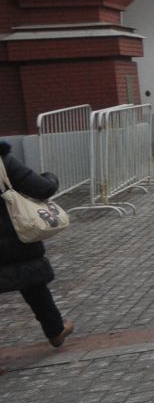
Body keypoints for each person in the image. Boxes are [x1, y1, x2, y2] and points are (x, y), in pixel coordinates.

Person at [0, 140, 74, 348]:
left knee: (34, 284)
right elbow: (43, 189)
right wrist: (49, 176)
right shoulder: (4, 162)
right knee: (33, 284)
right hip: (14, 240)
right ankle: (55, 330)